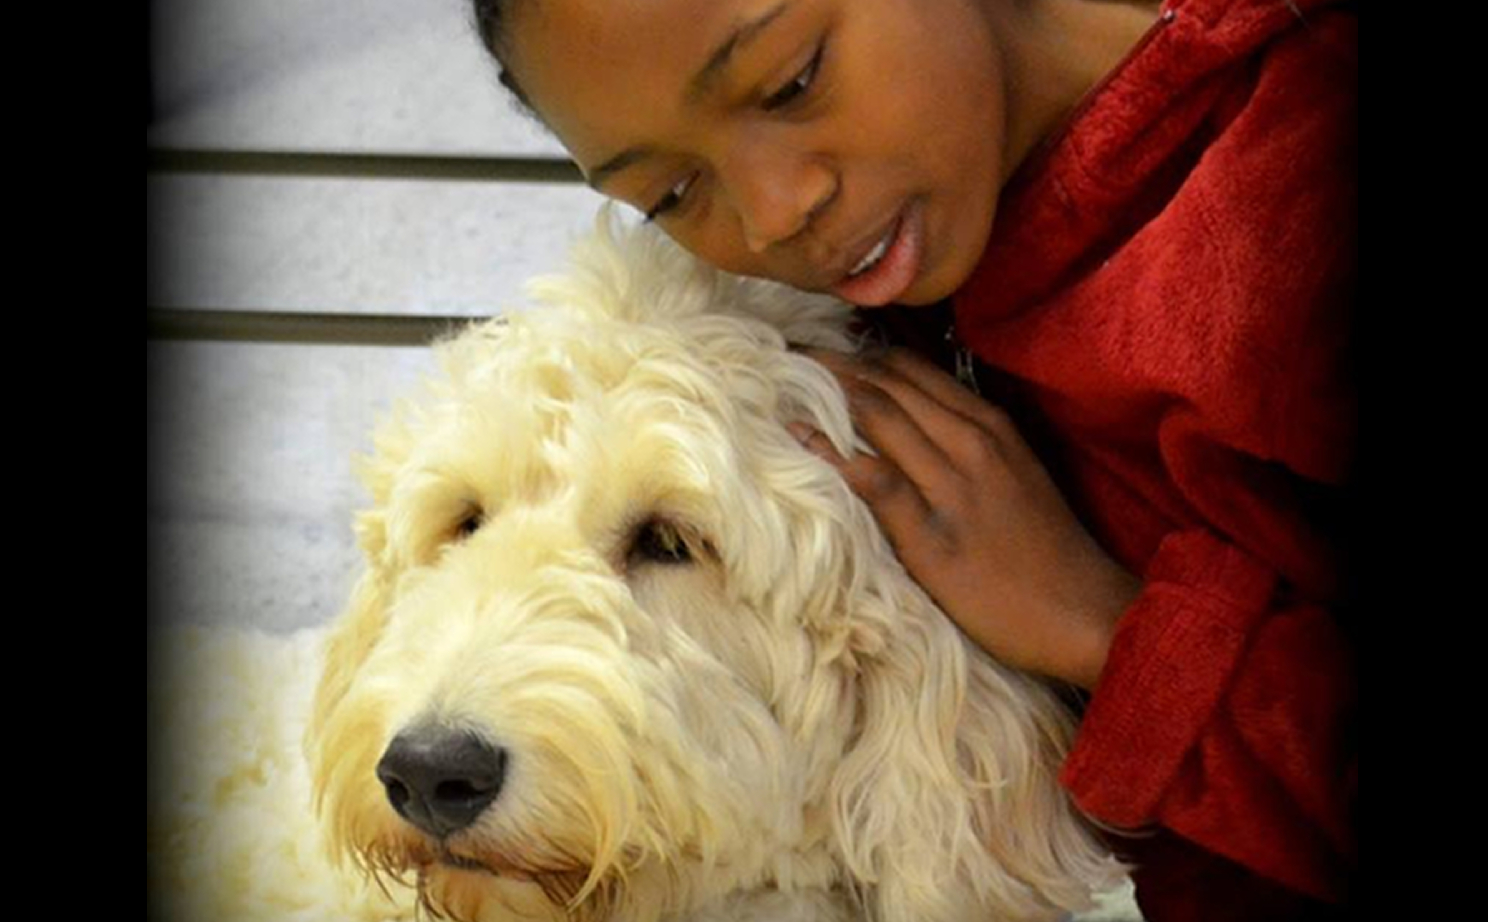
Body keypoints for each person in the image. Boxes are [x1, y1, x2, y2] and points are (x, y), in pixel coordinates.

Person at [468, 0, 1358, 918]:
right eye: (670, 194)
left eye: (791, 81)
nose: (774, 215)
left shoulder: (1304, 187)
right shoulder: (852, 295)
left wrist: (1110, 632)